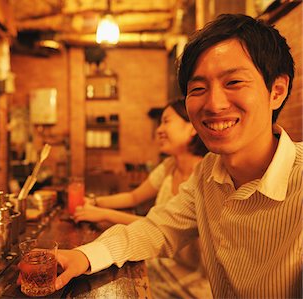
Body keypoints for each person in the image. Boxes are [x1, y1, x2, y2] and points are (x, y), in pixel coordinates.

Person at [54, 14, 301, 298]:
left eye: (233, 82)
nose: (214, 103)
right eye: (198, 89)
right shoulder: (209, 172)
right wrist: (84, 256)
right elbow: (158, 228)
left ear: (277, 92)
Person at [74, 99, 212, 298]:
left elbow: (160, 226)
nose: (159, 130)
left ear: (192, 127)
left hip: (189, 287)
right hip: (157, 267)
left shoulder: (205, 175)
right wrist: (95, 202)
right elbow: (133, 196)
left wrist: (101, 213)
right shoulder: (169, 166)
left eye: (166, 121)